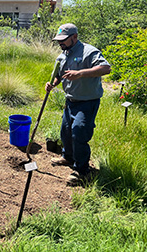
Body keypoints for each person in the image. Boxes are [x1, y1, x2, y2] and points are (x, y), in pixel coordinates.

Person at [46, 23, 111, 184]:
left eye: (64, 39)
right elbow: (59, 75)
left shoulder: (89, 52)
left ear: (74, 37)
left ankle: (82, 171)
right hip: (70, 101)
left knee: (79, 133)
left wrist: (80, 73)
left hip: (87, 102)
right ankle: (68, 157)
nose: (60, 43)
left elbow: (106, 68)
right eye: (58, 40)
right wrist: (53, 84)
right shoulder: (62, 55)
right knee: (66, 132)